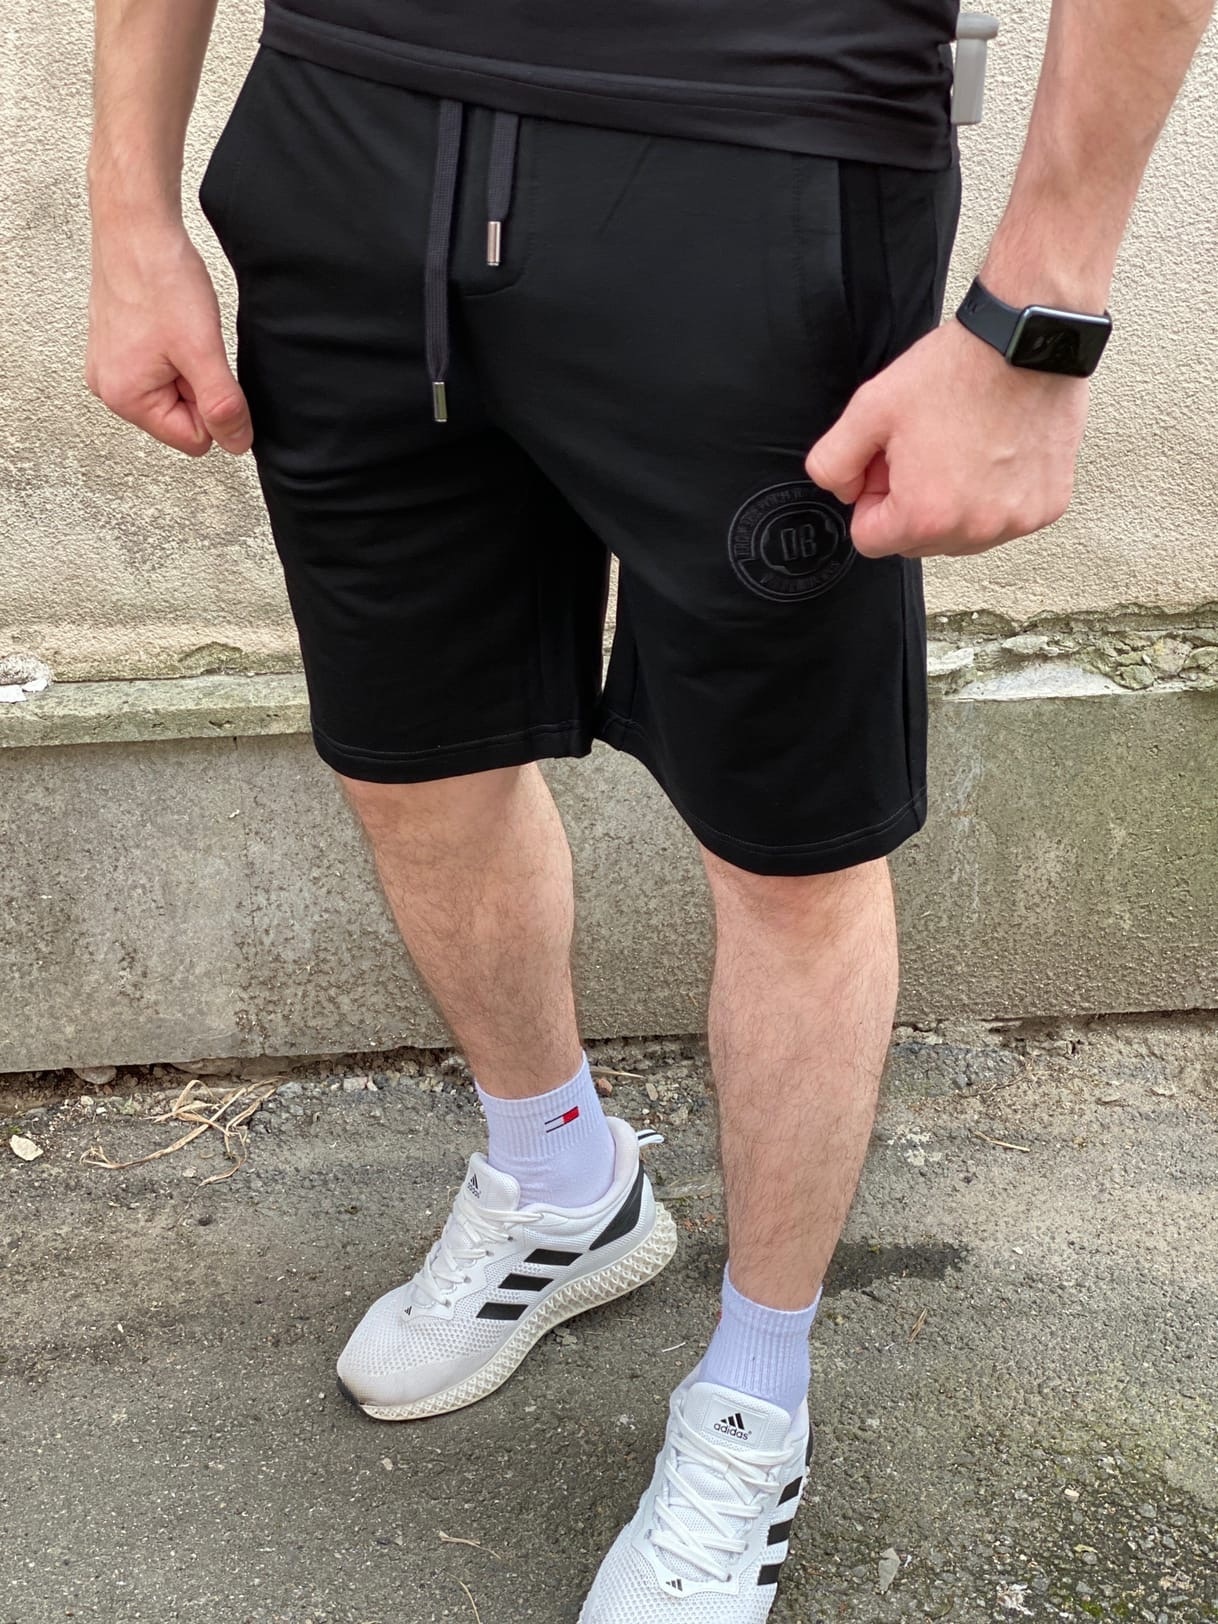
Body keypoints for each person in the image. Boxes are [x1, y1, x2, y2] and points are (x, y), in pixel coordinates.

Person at [86, 0, 1213, 1614]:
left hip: (760, 162)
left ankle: (755, 1391)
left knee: (788, 843)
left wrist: (1037, 321)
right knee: (410, 759)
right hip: (343, 141)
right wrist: (131, 205)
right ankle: (558, 1181)